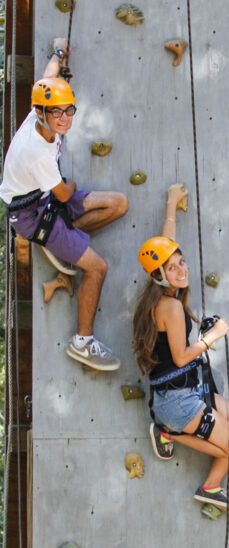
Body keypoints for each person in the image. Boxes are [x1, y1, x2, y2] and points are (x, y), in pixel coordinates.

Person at [0, 38, 128, 371]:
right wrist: (67, 185)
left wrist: (58, 53)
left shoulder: (37, 114)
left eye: (68, 110)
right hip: (33, 214)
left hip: (45, 199)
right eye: (56, 112)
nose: (64, 118)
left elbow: (48, 77)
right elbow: (64, 195)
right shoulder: (36, 151)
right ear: (41, 113)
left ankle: (62, 246)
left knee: (118, 204)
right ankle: (82, 342)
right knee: (98, 267)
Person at [132, 183, 229, 512]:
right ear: (159, 275)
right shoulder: (169, 307)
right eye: (172, 268)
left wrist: (172, 203)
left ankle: (211, 487)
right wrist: (211, 338)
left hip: (186, 391)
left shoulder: (163, 294)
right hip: (176, 403)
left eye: (182, 262)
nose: (182, 269)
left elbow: (164, 245)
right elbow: (181, 356)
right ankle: (165, 433)